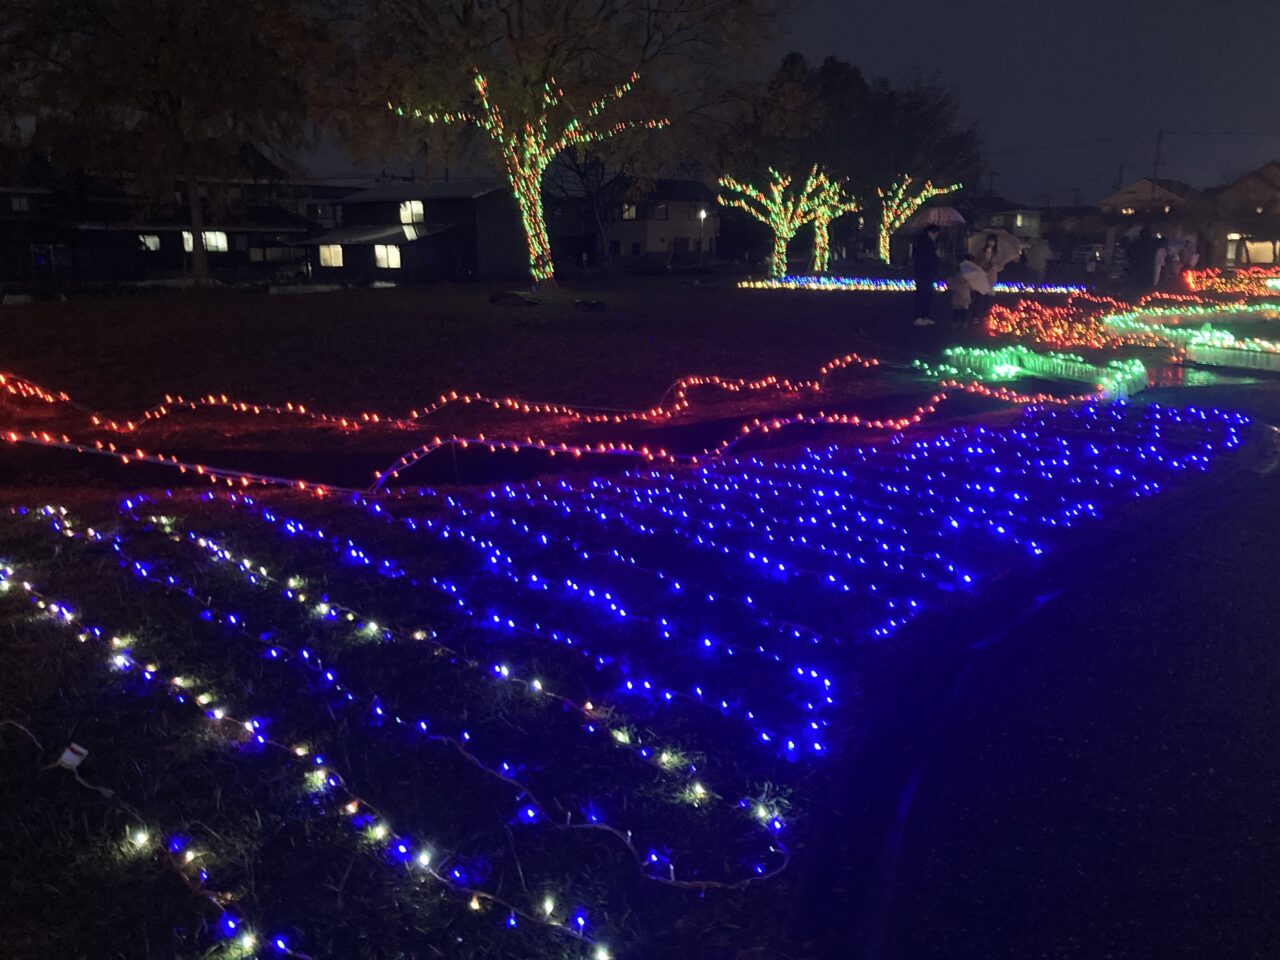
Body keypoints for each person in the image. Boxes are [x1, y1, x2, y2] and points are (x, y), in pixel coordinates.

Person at [912, 224, 941, 326]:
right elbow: (926, 259)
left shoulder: (927, 243)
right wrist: (936, 255)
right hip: (924, 272)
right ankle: (919, 316)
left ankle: (924, 315)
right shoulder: (925, 244)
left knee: (927, 294)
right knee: (923, 294)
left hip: (927, 273)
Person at [946, 260, 975, 325]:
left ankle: (955, 322)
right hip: (965, 297)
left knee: (956, 311)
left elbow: (950, 286)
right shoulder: (968, 278)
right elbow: (972, 288)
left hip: (956, 297)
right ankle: (964, 322)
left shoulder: (955, 278)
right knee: (964, 311)